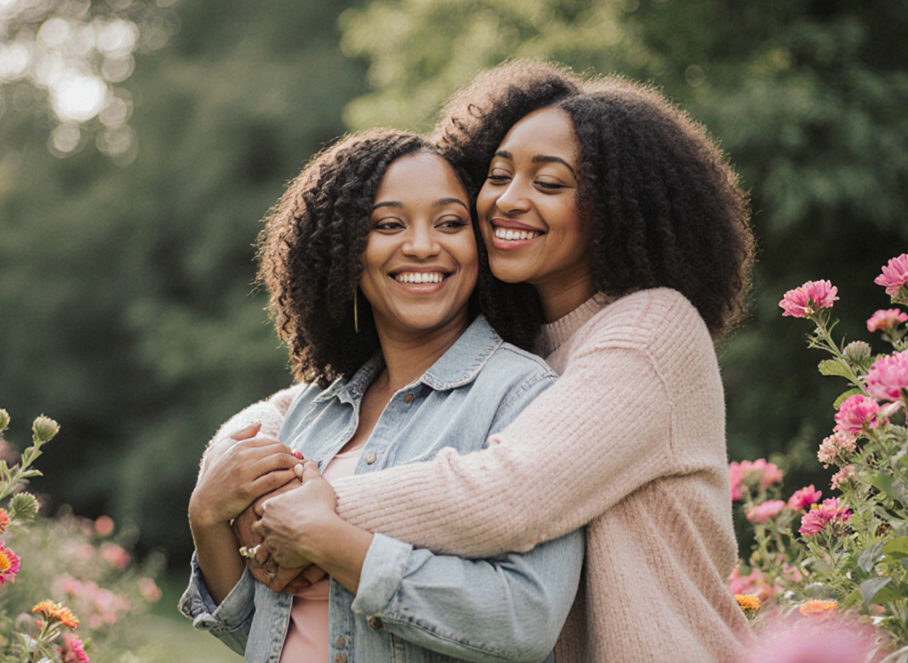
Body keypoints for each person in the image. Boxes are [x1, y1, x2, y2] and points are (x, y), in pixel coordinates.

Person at [210, 61, 756, 662]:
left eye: (549, 184)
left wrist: (312, 512)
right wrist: (226, 474)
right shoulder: (525, 342)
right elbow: (294, 406)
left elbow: (507, 495)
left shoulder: (649, 329)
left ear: (618, 207)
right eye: (497, 177)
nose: (508, 201)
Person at [181, 127, 584, 663]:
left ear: (479, 245)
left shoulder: (523, 397)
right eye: (388, 224)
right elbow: (263, 631)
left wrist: (332, 541)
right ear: (345, 251)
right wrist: (206, 516)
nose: (421, 245)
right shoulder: (315, 411)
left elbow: (524, 620)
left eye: (450, 223)